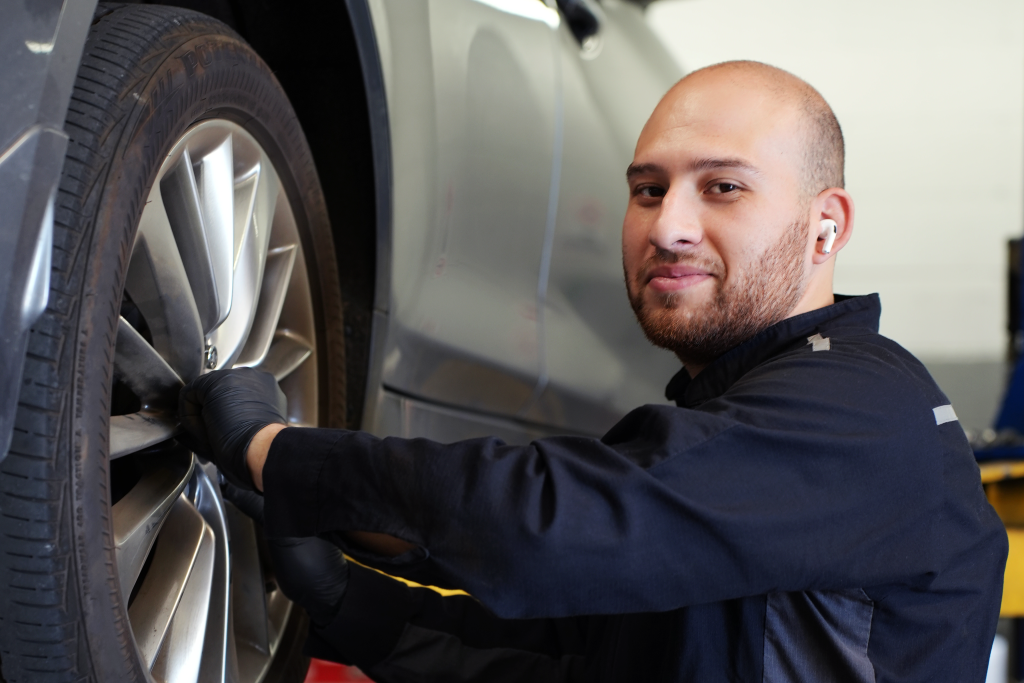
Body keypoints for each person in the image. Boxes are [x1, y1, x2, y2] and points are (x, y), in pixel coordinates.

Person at [179, 61, 1007, 682]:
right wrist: (352, 606)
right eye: (647, 190)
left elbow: (554, 522)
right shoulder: (744, 433)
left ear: (827, 227)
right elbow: (588, 657)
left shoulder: (863, 412)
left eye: (722, 187)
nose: (669, 225)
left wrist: (278, 453)